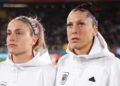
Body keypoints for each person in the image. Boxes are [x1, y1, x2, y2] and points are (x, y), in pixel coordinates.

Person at [56, 3, 120, 86]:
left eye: (81, 24)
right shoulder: (63, 62)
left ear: (95, 29)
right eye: (70, 25)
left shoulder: (114, 66)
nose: (74, 30)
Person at [0, 16, 56, 86]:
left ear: (34, 40)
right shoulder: (1, 68)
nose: (11, 38)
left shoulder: (49, 73)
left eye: (18, 33)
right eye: (9, 33)